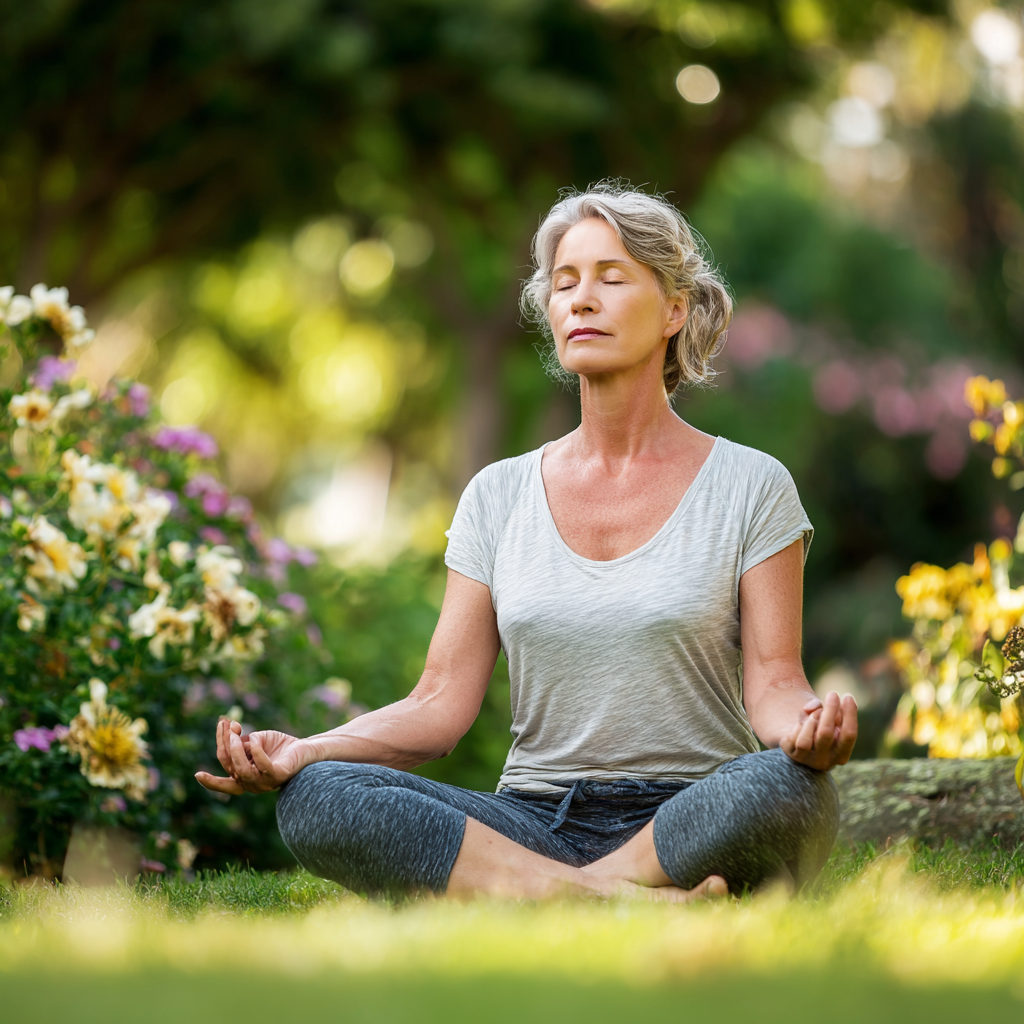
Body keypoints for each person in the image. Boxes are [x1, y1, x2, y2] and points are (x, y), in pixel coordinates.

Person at [196, 183, 857, 902]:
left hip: (690, 815)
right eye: (565, 282)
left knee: (789, 789)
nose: (581, 298)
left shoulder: (751, 485)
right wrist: (307, 749)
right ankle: (620, 904)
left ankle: (549, 896)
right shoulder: (497, 495)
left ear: (675, 309)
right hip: (531, 817)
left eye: (611, 277)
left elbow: (775, 685)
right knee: (317, 796)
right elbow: (440, 703)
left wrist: (808, 732)